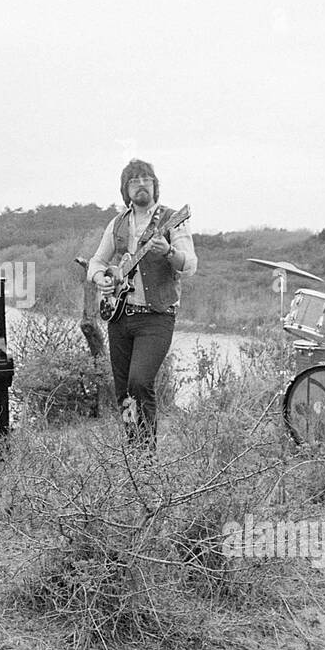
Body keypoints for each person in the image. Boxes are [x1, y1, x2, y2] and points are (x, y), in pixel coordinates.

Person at [85, 159, 196, 449]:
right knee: (123, 391)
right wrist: (101, 279)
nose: (142, 184)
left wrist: (169, 251)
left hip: (156, 317)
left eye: (147, 179)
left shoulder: (173, 219)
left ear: (155, 185)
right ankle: (134, 452)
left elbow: (190, 265)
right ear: (126, 189)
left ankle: (147, 457)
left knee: (139, 381)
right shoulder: (118, 222)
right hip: (119, 317)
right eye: (134, 181)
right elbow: (97, 261)